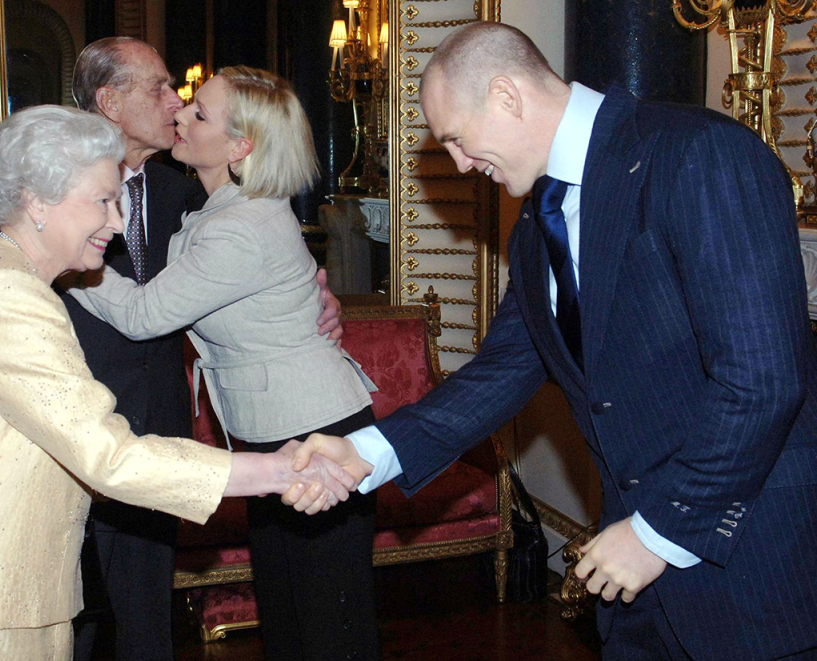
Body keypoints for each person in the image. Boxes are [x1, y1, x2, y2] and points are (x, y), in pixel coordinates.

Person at [293, 21, 817, 661]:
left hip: (745, 564)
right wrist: (368, 452)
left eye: (457, 139)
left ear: (507, 96)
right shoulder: (536, 225)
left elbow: (764, 379)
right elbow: (505, 370)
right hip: (634, 578)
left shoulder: (701, 154)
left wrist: (658, 532)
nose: (459, 164)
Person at [0, 105, 353, 660]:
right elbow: (108, 457)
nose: (118, 223)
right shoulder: (4, 293)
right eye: (102, 201)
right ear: (36, 200)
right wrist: (280, 467)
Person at [70, 66, 382, 661]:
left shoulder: (241, 224)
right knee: (291, 614)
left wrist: (63, 258)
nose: (179, 114)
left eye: (199, 113)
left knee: (329, 621)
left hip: (311, 430)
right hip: (269, 434)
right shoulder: (214, 206)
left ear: (240, 148)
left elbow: (142, 315)